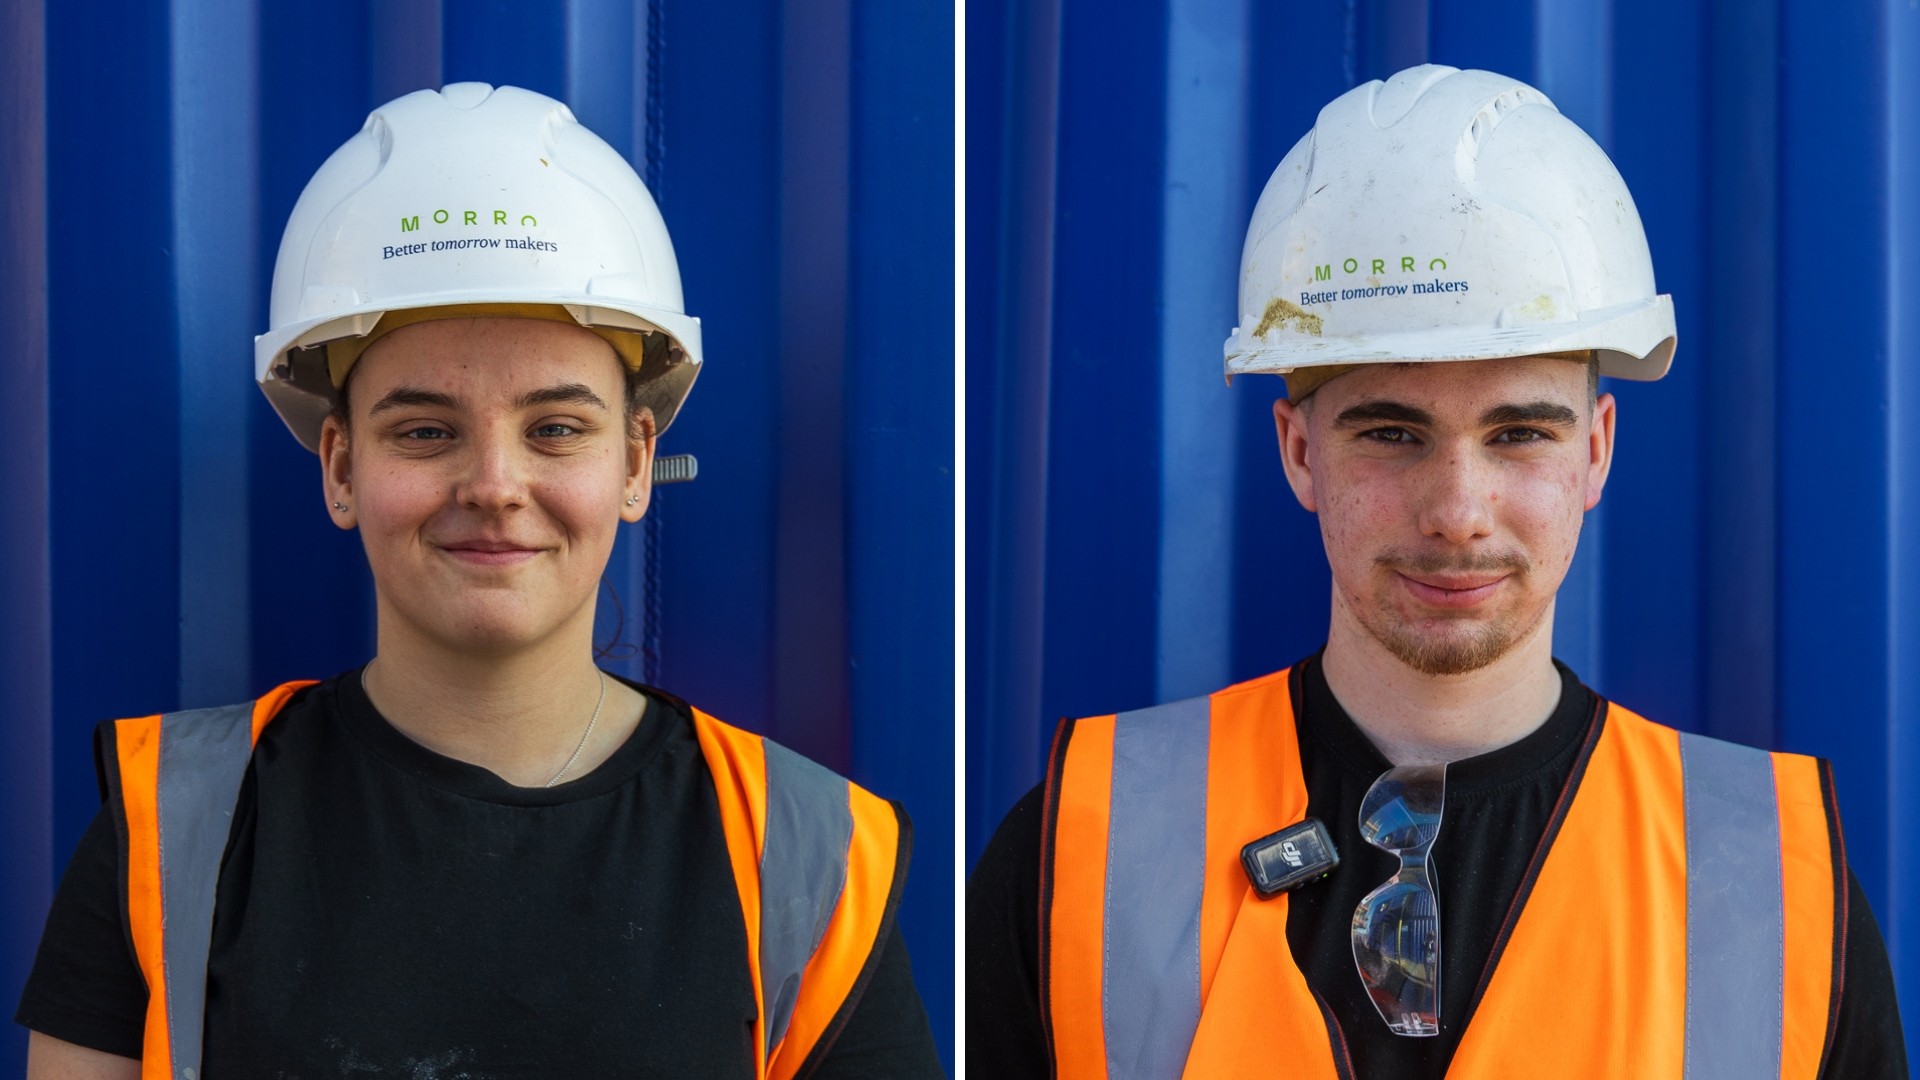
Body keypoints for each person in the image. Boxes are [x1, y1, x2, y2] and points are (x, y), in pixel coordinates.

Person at [967, 65, 1906, 1079]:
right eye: (1390, 432)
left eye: (1517, 433)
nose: (1458, 513)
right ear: (1297, 452)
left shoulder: (1778, 891)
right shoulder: (1080, 852)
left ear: (1595, 451)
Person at [16, 84, 942, 1080]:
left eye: (555, 428)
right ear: (340, 467)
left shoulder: (808, 856)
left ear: (634, 463)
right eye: (425, 431)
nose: (495, 487)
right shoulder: (169, 829)